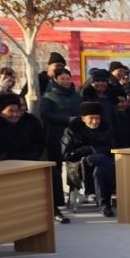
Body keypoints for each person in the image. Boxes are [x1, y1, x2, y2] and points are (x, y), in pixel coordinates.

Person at [38, 67, 80, 222]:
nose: (66, 81)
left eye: (68, 78)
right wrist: (66, 119)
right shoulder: (49, 96)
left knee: (73, 165)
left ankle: (73, 194)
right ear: (55, 79)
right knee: (56, 169)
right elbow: (45, 114)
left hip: (74, 136)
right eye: (62, 79)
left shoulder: (77, 96)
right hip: (55, 136)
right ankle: (57, 200)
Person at [61, 102, 116, 217]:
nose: (95, 121)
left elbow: (113, 148)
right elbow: (67, 154)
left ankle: (99, 199)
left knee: (100, 168)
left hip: (102, 165)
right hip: (78, 166)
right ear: (83, 118)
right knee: (101, 160)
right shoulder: (72, 130)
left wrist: (94, 151)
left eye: (97, 118)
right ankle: (105, 203)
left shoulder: (105, 128)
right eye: (91, 118)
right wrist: (88, 150)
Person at [0, 93, 45, 161]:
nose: (15, 114)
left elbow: (37, 144)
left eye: (17, 111)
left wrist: (32, 157)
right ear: (0, 113)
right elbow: (0, 155)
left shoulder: (22, 125)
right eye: (10, 111)